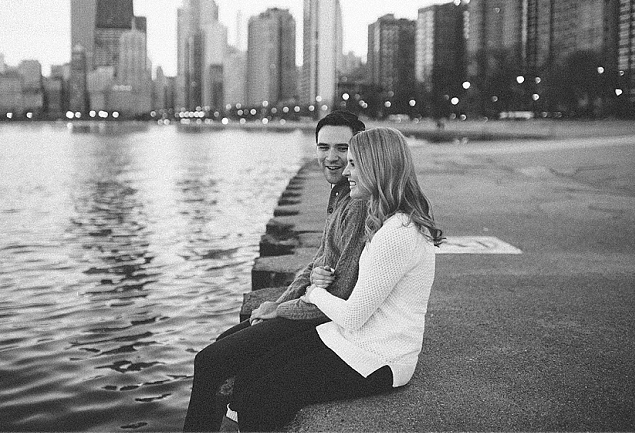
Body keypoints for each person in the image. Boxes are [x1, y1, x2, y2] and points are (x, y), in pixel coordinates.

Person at [223, 127, 443, 432]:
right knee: (251, 373)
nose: (347, 172)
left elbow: (353, 315)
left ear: (376, 169)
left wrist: (314, 293)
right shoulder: (386, 220)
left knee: (262, 394)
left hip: (380, 358)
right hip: (351, 340)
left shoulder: (397, 234)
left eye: (354, 164)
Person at [183, 111, 368, 433]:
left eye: (342, 148)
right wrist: (277, 303)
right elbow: (318, 263)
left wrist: (281, 310)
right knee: (224, 345)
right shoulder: (340, 193)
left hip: (329, 319)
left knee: (210, 361)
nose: (332, 158)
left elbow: (341, 289)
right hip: (316, 306)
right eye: (323, 147)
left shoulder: (357, 202)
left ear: (361, 152)